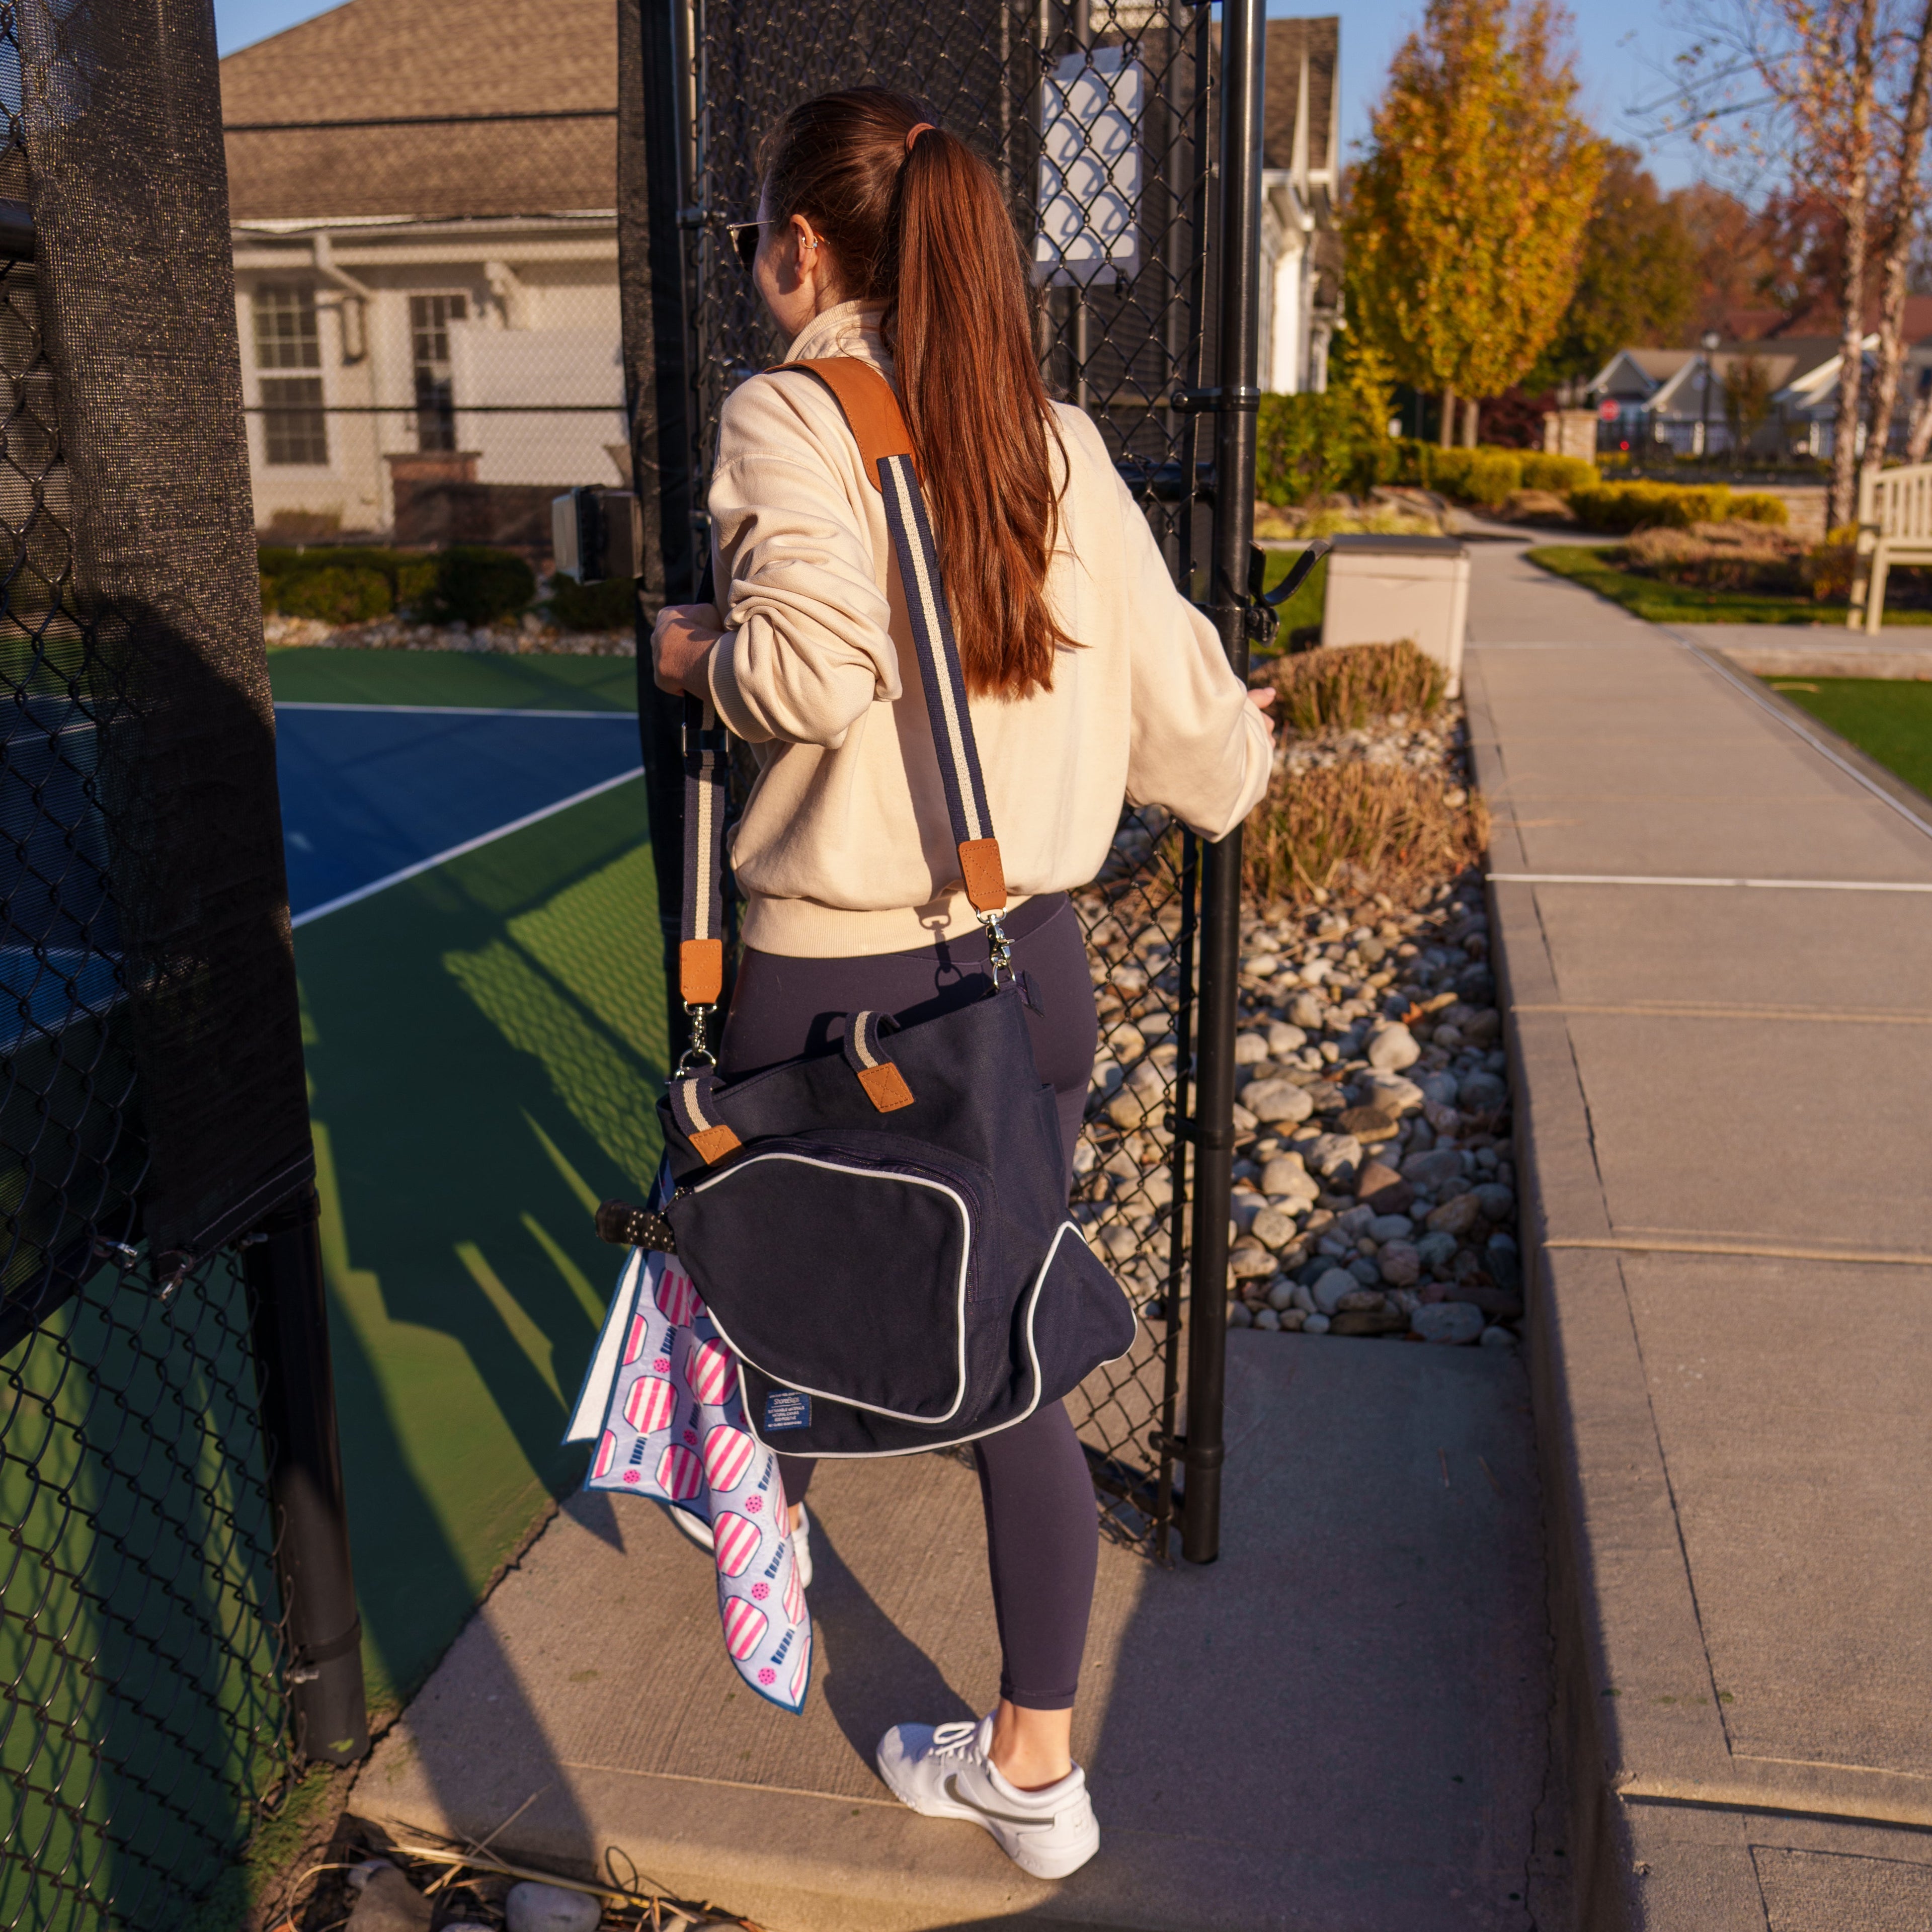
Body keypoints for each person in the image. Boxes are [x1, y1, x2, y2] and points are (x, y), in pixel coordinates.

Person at [651, 85, 1273, 1883]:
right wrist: (1225, 754)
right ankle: (1034, 1767)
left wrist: (698, 651)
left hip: (834, 988)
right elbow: (1204, 746)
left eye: (760, 230)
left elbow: (813, 666)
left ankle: (766, 1579)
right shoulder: (1056, 438)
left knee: (773, 1307)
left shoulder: (792, 412)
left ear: (807, 245)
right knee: (1001, 1374)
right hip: (1027, 980)